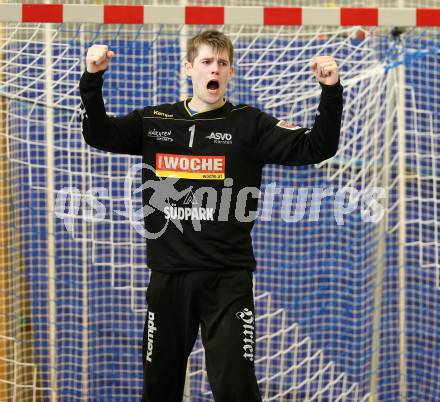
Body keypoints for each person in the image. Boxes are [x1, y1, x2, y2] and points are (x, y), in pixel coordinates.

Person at [79, 29, 343, 402]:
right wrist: (93, 78)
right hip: (169, 280)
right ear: (189, 67)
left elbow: (318, 146)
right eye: (205, 61)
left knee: (236, 390)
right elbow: (98, 134)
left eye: (221, 63)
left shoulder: (249, 124)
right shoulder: (155, 122)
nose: (213, 69)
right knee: (159, 390)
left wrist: (330, 91)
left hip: (227, 283)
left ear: (230, 72)